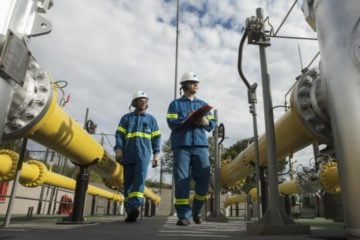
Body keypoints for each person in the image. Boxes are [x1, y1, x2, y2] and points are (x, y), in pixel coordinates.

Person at [166, 72, 216, 226]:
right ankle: (184, 216)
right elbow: (171, 123)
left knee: (204, 179)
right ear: (185, 85)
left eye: (197, 82)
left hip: (200, 145)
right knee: (182, 180)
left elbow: (212, 124)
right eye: (193, 82)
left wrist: (205, 121)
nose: (196, 85)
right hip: (182, 145)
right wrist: (187, 118)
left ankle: (196, 210)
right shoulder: (175, 104)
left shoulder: (203, 104)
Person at [114, 90, 161, 222]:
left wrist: (156, 155)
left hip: (143, 155)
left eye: (146, 101)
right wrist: (118, 149)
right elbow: (119, 135)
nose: (144, 103)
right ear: (134, 103)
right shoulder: (126, 118)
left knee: (139, 180)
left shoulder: (151, 120)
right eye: (141, 100)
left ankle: (135, 206)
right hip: (128, 154)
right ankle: (130, 211)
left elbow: (156, 138)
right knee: (128, 183)